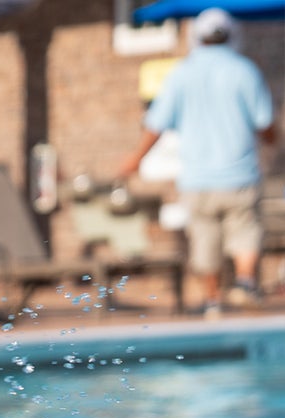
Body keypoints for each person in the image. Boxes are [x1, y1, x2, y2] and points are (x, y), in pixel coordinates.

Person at [119, 7, 278, 315]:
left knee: (205, 241)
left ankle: (212, 301)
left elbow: (156, 124)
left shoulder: (181, 74)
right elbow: (265, 122)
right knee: (245, 231)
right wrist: (272, 139)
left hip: (197, 178)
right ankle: (245, 283)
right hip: (240, 174)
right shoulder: (245, 71)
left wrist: (135, 159)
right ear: (232, 35)